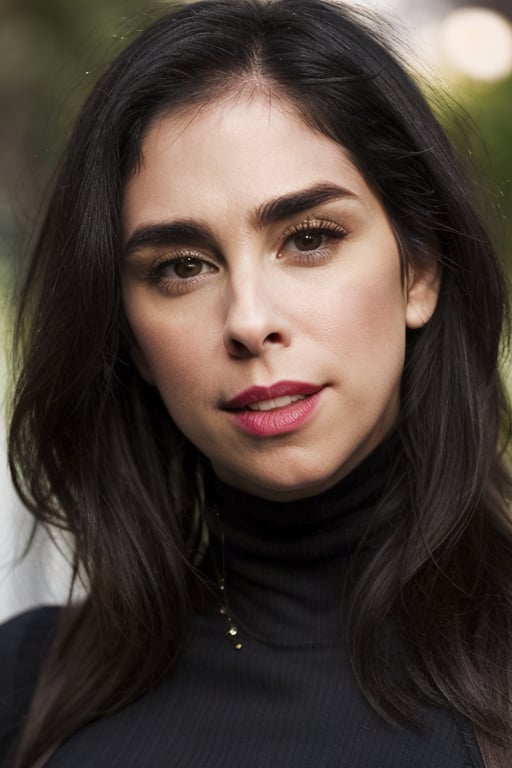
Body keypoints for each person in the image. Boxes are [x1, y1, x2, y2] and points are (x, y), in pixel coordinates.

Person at [1, 0, 511, 765]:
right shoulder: (27, 686)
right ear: (130, 336)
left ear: (421, 268)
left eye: (309, 239)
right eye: (181, 267)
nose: (248, 319)